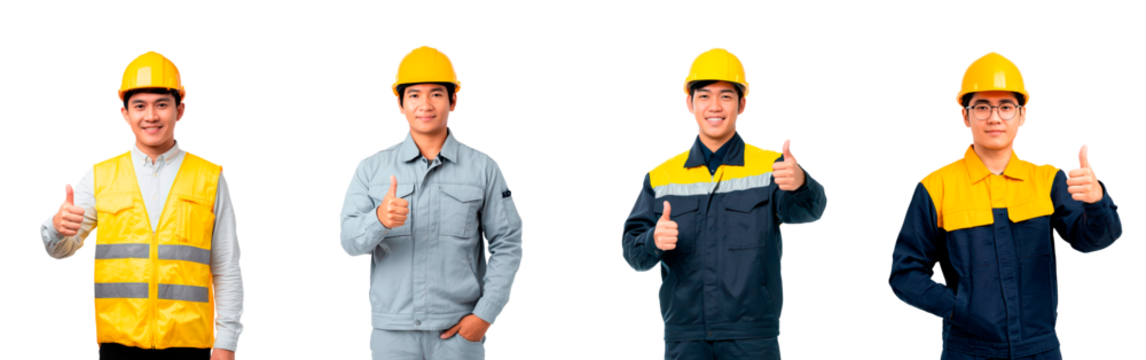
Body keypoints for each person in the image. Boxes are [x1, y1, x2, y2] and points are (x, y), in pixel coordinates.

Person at [886, 51, 1125, 360]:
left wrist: (1096, 202)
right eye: (982, 107)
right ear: (964, 116)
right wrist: (961, 308)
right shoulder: (935, 187)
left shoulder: (1048, 180)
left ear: (1023, 115)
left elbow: (1095, 241)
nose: (995, 117)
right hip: (967, 351)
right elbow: (904, 275)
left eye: (1006, 107)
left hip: (1041, 350)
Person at [620, 46, 829, 360]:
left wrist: (801, 183)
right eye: (704, 95)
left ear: (743, 104)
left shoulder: (770, 166)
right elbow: (631, 253)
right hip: (685, 338)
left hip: (753, 337)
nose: (714, 106)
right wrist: (653, 241)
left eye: (726, 96)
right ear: (688, 103)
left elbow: (812, 211)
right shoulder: (661, 177)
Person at [37, 50, 246, 359]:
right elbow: (57, 251)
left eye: (162, 104)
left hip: (191, 349)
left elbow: (227, 268)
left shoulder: (211, 178)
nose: (151, 116)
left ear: (181, 110)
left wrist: (227, 344)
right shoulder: (99, 177)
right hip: (116, 349)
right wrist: (56, 228)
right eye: (140, 106)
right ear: (124, 114)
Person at [338, 44, 524, 360]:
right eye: (414, 95)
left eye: (436, 94)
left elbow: (508, 244)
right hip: (392, 335)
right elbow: (348, 243)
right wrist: (380, 219)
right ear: (399, 103)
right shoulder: (370, 168)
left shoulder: (484, 168)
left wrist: (485, 315)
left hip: (458, 332)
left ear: (454, 100)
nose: (425, 104)